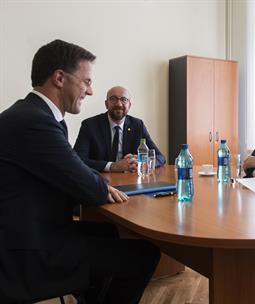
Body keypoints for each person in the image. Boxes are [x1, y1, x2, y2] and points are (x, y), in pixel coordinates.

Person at [0, 39, 160, 303]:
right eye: (86, 81)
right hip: (25, 249)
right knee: (145, 254)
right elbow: (87, 185)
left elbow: (72, 171)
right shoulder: (35, 122)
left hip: (28, 227)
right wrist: (101, 186)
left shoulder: (32, 114)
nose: (90, 91)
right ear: (60, 78)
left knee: (107, 232)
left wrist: (93, 182)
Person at [74, 86, 166, 173]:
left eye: (124, 100)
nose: (118, 104)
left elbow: (160, 157)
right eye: (113, 99)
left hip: (130, 181)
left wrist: (141, 163)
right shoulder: (90, 125)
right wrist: (112, 166)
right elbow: (78, 160)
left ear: (129, 105)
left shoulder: (137, 125)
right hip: (100, 180)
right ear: (106, 104)